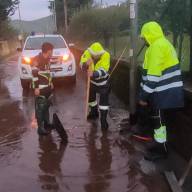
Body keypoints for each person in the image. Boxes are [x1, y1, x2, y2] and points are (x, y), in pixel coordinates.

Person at [138, 21, 184, 161]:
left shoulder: (156, 47)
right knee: (159, 121)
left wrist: (143, 96)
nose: (144, 39)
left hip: (163, 92)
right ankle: (158, 144)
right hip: (167, 91)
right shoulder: (163, 43)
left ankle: (161, 150)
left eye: (144, 37)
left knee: (159, 121)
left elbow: (152, 77)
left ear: (149, 35)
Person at [80, 42, 111, 131]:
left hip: (103, 83)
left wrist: (94, 73)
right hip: (92, 82)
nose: (96, 57)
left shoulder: (106, 55)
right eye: (94, 55)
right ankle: (94, 112)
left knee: (103, 103)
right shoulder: (87, 53)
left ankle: (103, 120)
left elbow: (104, 70)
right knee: (91, 98)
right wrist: (86, 64)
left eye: (98, 55)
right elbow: (81, 64)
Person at [32, 42, 54, 135]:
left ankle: (47, 123)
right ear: (48, 51)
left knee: (46, 106)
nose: (52, 53)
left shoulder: (47, 59)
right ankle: (40, 128)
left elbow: (48, 72)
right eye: (52, 51)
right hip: (40, 87)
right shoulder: (37, 60)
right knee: (40, 108)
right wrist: (36, 88)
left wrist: (51, 82)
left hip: (47, 87)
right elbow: (34, 74)